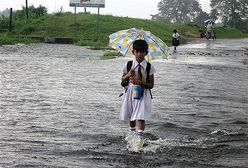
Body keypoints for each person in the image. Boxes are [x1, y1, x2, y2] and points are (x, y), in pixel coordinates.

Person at [119, 39, 155, 151]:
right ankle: (131, 134)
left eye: (142, 51)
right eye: (137, 51)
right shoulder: (129, 64)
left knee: (141, 115)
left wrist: (140, 82)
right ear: (133, 52)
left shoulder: (149, 67)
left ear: (146, 53)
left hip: (143, 93)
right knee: (131, 113)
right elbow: (122, 80)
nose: (139, 54)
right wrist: (128, 75)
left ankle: (139, 140)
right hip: (130, 92)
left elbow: (151, 85)